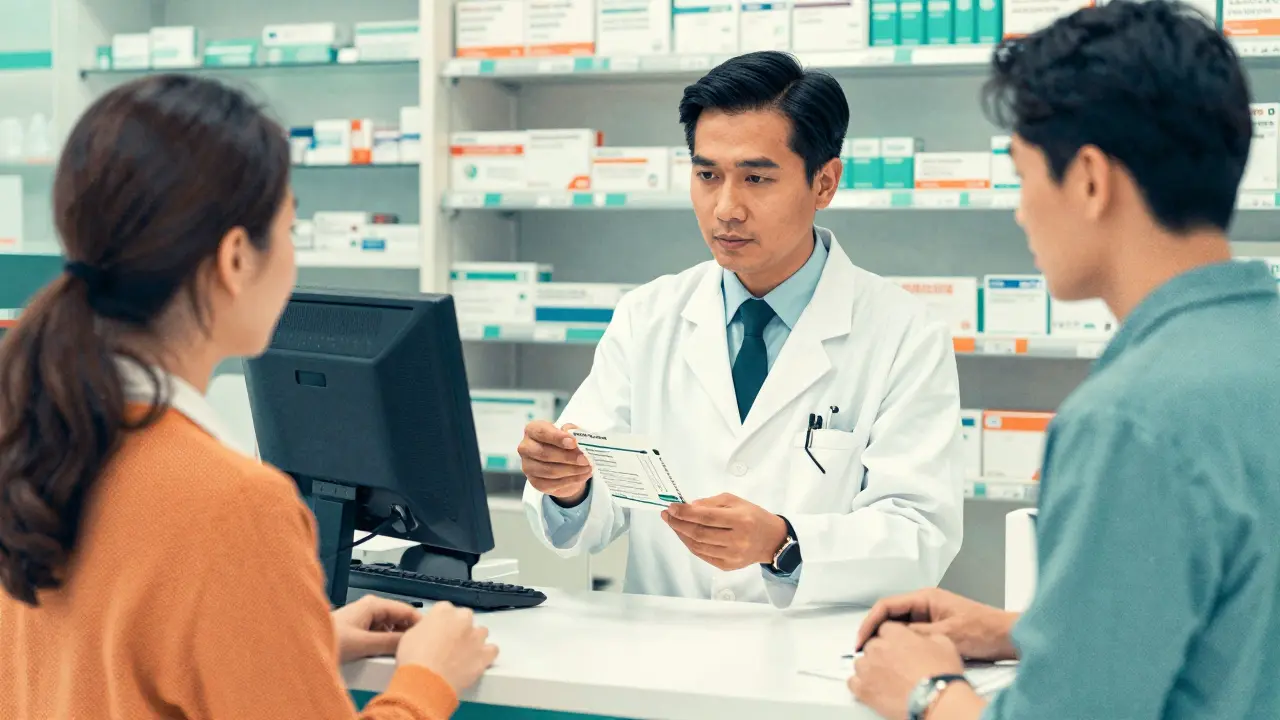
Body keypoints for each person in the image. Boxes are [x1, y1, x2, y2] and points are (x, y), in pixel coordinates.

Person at [0, 76, 497, 720]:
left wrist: (297, 641)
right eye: (288, 230)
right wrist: (429, 679)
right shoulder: (232, 507)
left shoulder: (36, 443)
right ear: (236, 258)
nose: (292, 260)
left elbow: (111, 664)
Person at [850, 2, 1280, 719]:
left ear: (1088, 180)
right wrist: (1027, 631)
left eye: (1022, 177)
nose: (1020, 212)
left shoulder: (1131, 420)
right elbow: (1243, 620)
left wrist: (924, 692)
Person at [518, 51, 965, 609]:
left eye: (756, 178)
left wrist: (784, 542)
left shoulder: (904, 334)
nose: (726, 208)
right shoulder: (648, 316)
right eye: (708, 175)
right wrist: (568, 488)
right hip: (659, 661)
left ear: (824, 183)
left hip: (817, 669)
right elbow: (591, 510)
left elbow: (921, 533)